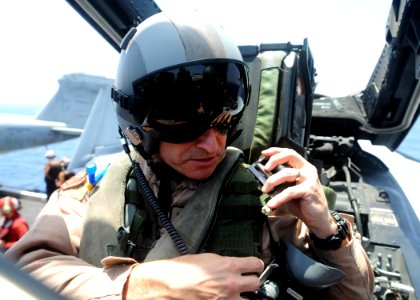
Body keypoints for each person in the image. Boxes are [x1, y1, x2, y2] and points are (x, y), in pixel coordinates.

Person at [5, 11, 374, 299]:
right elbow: (23, 276)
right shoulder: (91, 191)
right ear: (138, 127)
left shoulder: (270, 198)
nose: (212, 145)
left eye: (223, 123)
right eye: (185, 128)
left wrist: (328, 230)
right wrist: (144, 286)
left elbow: (354, 295)